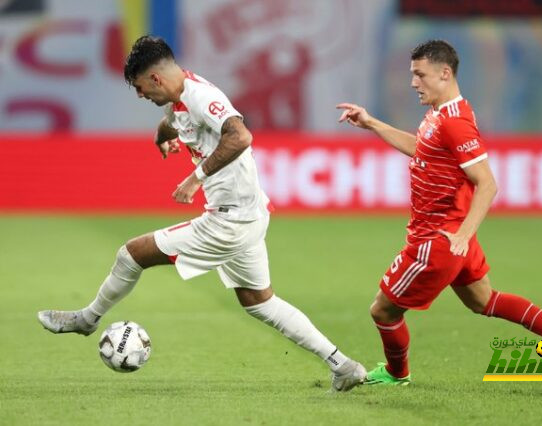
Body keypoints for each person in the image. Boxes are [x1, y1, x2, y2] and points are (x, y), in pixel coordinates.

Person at [37, 35, 366, 392]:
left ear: (156, 79)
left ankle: (87, 319)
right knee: (260, 302)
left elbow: (240, 136)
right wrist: (160, 137)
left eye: (140, 87)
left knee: (131, 254)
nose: (140, 95)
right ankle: (343, 365)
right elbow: (174, 121)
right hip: (249, 215)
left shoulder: (201, 96)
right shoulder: (181, 98)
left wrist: (196, 178)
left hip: (228, 222)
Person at [336, 40, 542, 387]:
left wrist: (462, 236)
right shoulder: (441, 114)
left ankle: (396, 373)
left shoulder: (455, 123)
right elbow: (423, 150)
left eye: (420, 74)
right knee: (484, 301)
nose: (413, 82)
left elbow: (488, 184)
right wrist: (372, 123)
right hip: (452, 236)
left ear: (444, 73)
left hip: (437, 240)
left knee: (383, 310)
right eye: (412, 75)